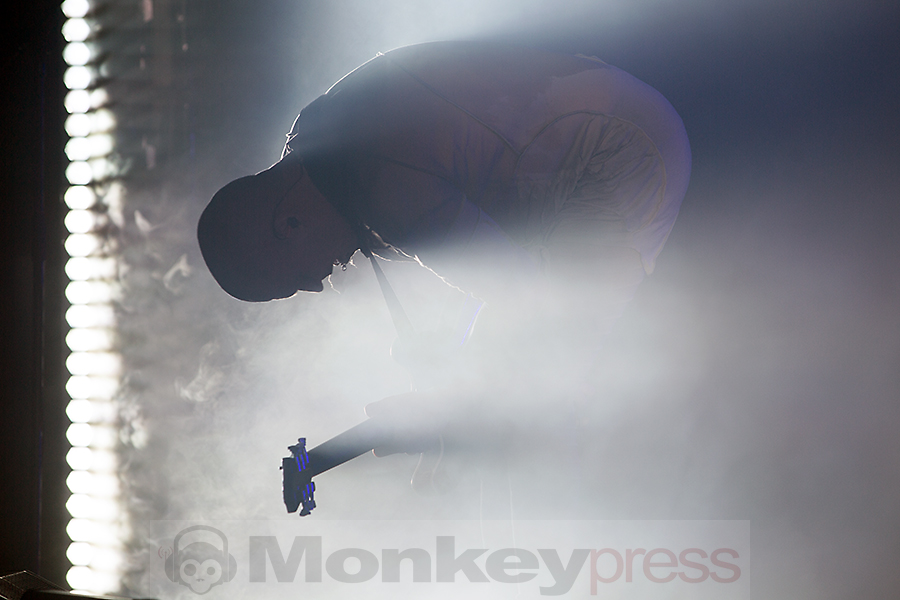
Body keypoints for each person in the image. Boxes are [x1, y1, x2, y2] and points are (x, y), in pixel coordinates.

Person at [197, 41, 691, 487]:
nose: (318, 284)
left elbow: (525, 298)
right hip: (603, 125)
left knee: (550, 368)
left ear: (288, 225)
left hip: (616, 153)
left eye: (297, 280)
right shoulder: (318, 143)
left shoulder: (383, 187)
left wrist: (446, 407)